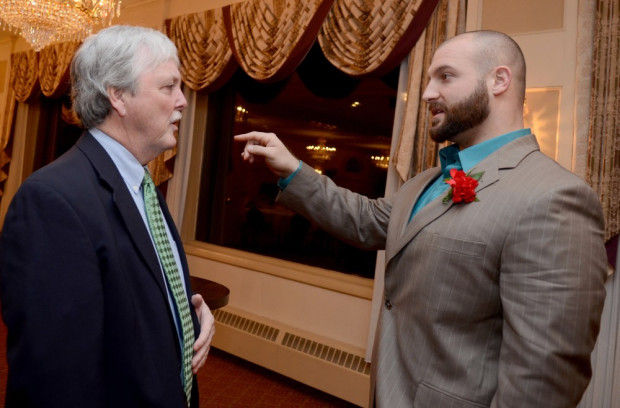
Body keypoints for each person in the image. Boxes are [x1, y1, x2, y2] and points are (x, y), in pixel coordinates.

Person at [235, 30, 607, 407]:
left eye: (445, 76)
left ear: (499, 80)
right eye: (429, 79)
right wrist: (293, 168)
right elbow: (365, 220)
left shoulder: (554, 198)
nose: (427, 93)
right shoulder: (425, 182)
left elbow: (542, 383)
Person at [0, 25, 214, 407]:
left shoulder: (143, 185)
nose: (183, 101)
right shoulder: (52, 200)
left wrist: (191, 320)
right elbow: (54, 381)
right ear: (118, 96)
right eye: (168, 87)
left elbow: (134, 293)